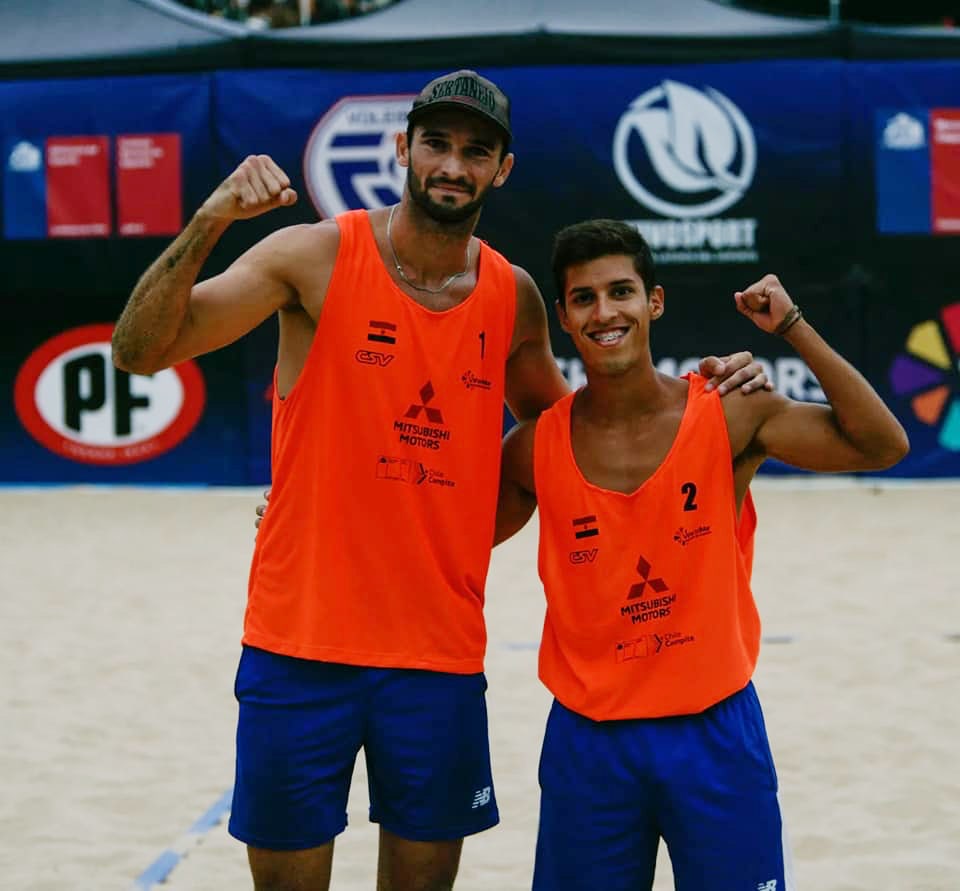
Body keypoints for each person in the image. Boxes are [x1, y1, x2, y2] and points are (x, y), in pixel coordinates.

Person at [112, 70, 767, 891]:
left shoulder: (513, 297)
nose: (453, 165)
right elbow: (138, 351)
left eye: (476, 150)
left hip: (437, 656)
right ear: (404, 149)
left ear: (502, 169)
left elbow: (578, 445)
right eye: (438, 144)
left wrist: (706, 398)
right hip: (298, 642)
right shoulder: (315, 256)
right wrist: (211, 218)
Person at [495, 220, 909, 891]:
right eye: (584, 299)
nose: (605, 312)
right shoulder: (534, 448)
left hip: (714, 731)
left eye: (621, 291)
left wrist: (795, 328)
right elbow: (442, 537)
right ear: (565, 319)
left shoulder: (729, 412)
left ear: (654, 301)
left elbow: (880, 445)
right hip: (589, 742)